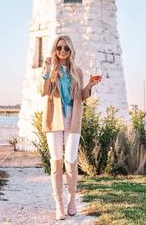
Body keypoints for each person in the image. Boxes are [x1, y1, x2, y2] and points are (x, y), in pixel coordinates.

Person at [38, 35, 102, 221]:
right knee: (56, 162)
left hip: (72, 120)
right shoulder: (50, 71)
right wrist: (46, 70)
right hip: (54, 120)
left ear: (71, 50)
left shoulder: (77, 72)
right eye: (59, 48)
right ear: (55, 50)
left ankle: (72, 200)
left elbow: (80, 97)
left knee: (71, 162)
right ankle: (59, 203)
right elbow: (43, 91)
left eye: (66, 48)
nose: (63, 51)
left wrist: (90, 84)